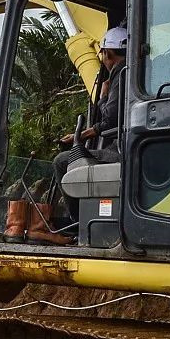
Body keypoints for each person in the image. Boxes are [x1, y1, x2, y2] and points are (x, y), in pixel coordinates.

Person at [52, 25, 128, 224]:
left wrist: (103, 97)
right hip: (127, 145)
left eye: (102, 55)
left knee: (61, 161)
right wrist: (84, 134)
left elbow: (109, 118)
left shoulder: (120, 74)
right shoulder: (136, 71)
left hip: (120, 150)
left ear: (108, 53)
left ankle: (78, 222)